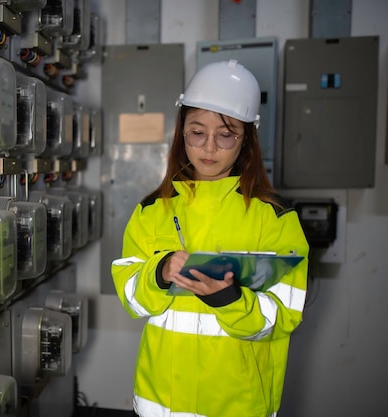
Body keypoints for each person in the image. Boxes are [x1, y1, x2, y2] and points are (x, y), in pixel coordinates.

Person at [111, 59, 309, 417]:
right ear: (181, 132)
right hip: (160, 401)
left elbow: (284, 318)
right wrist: (159, 273)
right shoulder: (151, 211)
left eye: (226, 134)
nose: (209, 148)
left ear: (246, 139)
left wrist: (231, 300)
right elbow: (131, 300)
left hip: (236, 403)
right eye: (197, 132)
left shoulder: (276, 219)